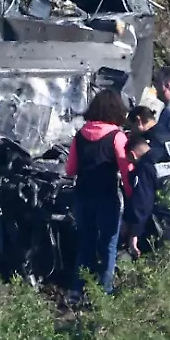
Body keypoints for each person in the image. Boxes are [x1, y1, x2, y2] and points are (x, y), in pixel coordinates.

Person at [65, 88, 133, 299]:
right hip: (107, 197)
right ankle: (104, 292)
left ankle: (76, 290)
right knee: (108, 245)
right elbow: (126, 170)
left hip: (83, 195)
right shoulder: (117, 137)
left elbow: (70, 170)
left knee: (86, 243)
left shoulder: (80, 135)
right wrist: (131, 195)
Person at [120, 132, 156, 257]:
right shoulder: (165, 157)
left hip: (158, 225)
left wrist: (134, 234)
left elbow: (142, 202)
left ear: (132, 155)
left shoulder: (143, 168)